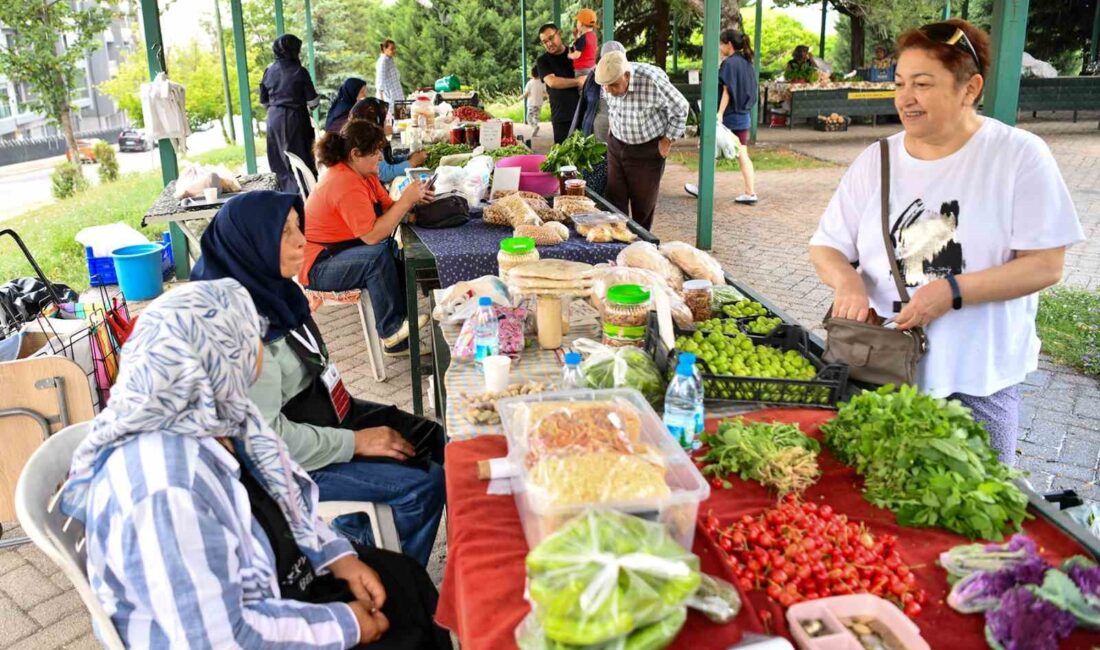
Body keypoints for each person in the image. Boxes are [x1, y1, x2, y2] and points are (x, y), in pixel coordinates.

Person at [58, 279, 452, 649]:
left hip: (270, 580)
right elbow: (221, 638)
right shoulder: (165, 489)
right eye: (251, 340)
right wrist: (345, 625)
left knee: (406, 582)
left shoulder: (223, 413)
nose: (262, 352)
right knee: (406, 631)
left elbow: (291, 502)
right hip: (228, 629)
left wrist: (338, 556)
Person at [808, 19, 1084, 465]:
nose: (905, 98)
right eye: (899, 83)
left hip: (977, 380)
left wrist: (952, 291)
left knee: (971, 505)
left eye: (922, 83)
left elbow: (1045, 265)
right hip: (880, 370)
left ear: (969, 88)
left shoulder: (1018, 156)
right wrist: (848, 283)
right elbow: (826, 246)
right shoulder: (876, 159)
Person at [191, 191, 446, 566]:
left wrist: (355, 433)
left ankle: (362, 535)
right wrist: (354, 442)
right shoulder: (238, 332)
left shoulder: (270, 289)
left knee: (432, 439)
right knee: (421, 486)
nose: (301, 240)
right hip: (279, 463)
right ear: (251, 244)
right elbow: (265, 440)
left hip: (322, 411)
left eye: (299, 226)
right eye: (284, 233)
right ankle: (379, 580)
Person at [302, 121, 430, 356]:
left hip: (340, 252)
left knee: (395, 253)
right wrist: (405, 201)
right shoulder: (343, 182)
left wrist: (415, 204)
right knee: (377, 257)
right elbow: (372, 236)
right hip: (319, 266)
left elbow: (389, 208)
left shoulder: (364, 174)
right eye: (375, 152)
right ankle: (391, 331)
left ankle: (399, 338)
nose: (380, 157)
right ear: (355, 154)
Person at [595, 50, 689, 231]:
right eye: (605, 86)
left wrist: (667, 140)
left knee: (642, 206)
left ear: (627, 75)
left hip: (646, 150)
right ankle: (618, 246)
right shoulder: (607, 78)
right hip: (616, 144)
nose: (608, 90)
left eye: (613, 85)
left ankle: (641, 249)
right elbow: (613, 107)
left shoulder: (651, 80)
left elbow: (681, 107)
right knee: (614, 200)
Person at [685, 30, 758, 205]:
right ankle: (750, 192)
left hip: (729, 117)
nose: (719, 47)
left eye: (721, 43)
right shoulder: (747, 63)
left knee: (709, 151)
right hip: (743, 116)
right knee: (743, 154)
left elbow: (727, 91)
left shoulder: (729, 64)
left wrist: (719, 114)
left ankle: (702, 188)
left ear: (729, 44)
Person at [260, 34, 321, 194]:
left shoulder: (269, 71)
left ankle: (285, 201)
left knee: (279, 163)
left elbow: (263, 100)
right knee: (300, 164)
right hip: (295, 120)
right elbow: (313, 102)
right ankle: (305, 201)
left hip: (273, 120)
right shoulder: (299, 71)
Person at [347, 98, 429, 185]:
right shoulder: (366, 145)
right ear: (376, 123)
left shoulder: (377, 138)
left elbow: (391, 155)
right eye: (387, 120)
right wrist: (412, 162)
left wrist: (409, 156)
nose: (391, 122)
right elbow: (385, 174)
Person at [536, 23, 586, 144]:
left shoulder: (576, 53)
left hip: (583, 114)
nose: (548, 44)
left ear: (559, 34)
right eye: (544, 42)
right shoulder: (543, 61)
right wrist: (578, 81)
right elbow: (552, 82)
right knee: (564, 157)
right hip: (561, 118)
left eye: (551, 38)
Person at [568, 8, 599, 77]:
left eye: (577, 21)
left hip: (582, 70)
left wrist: (568, 55)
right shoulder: (593, 36)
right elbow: (585, 47)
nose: (576, 23)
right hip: (591, 67)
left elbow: (576, 55)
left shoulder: (583, 38)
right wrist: (576, 37)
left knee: (581, 87)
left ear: (581, 24)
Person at [376, 39, 405, 104]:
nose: (394, 51)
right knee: (393, 113)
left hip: (396, 93)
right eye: (392, 49)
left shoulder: (389, 59)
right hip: (389, 96)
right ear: (384, 49)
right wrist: (381, 102)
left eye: (395, 48)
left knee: (401, 111)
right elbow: (380, 81)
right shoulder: (383, 61)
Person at [521, 66, 546, 137]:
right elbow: (545, 92)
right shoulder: (542, 83)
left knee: (529, 118)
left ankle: (534, 127)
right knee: (536, 117)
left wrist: (520, 97)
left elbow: (526, 93)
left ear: (531, 74)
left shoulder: (530, 83)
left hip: (531, 104)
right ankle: (535, 127)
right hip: (539, 104)